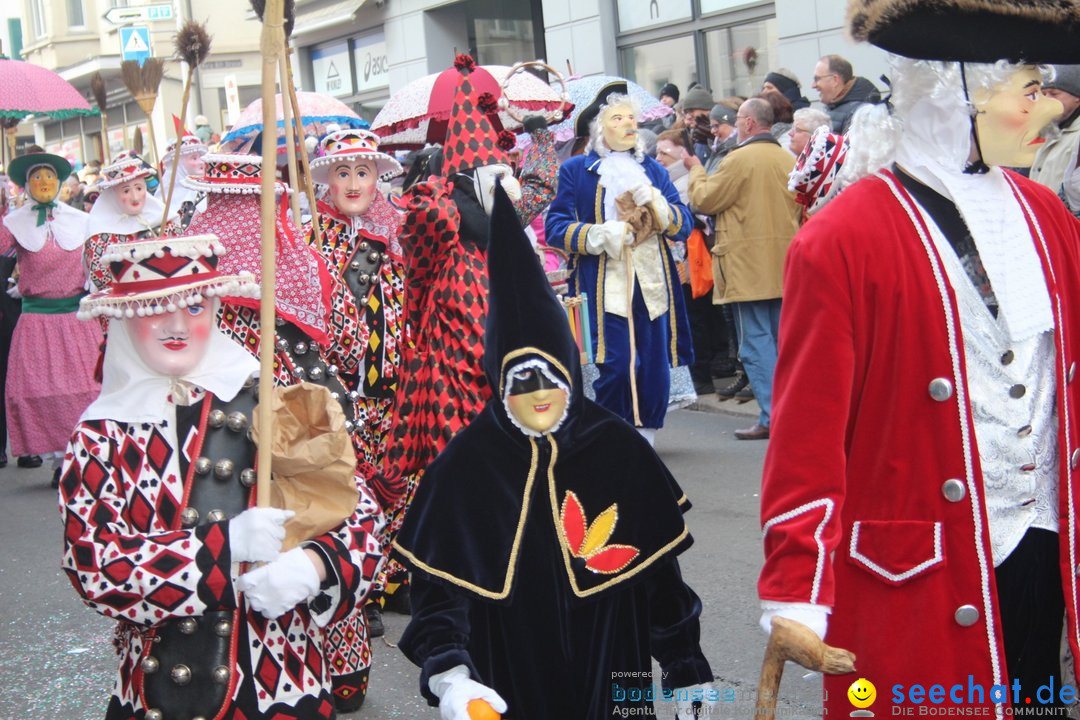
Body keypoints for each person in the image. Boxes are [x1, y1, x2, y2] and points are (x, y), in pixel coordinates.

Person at [758, 0, 1080, 714]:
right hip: (916, 571)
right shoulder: (842, 239)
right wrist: (798, 587)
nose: (1047, 114)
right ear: (961, 94)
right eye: (1030, 93)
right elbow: (807, 438)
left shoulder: (1046, 215)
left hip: (1042, 546)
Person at [396, 185, 716, 720]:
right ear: (498, 382)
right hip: (512, 669)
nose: (538, 394)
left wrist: (689, 676)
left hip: (621, 667)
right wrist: (452, 675)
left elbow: (663, 584)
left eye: (550, 377)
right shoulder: (467, 464)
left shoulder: (616, 447)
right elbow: (439, 596)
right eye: (521, 381)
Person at [62, 233, 385, 720]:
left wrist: (317, 566)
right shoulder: (100, 435)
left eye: (194, 307)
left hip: (284, 684)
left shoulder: (273, 403)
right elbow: (94, 566)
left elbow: (359, 516)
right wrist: (223, 549)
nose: (177, 325)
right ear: (125, 317)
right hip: (159, 690)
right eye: (156, 308)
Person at [379, 53, 558, 508]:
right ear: (465, 178)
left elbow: (540, 186)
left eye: (506, 172)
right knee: (461, 455)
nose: (507, 183)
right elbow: (419, 223)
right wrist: (431, 182)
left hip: (504, 348)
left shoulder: (503, 216)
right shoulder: (444, 214)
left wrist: (537, 131)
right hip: (452, 361)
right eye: (494, 175)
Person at [304, 128, 408, 681]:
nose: (353, 183)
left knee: (397, 484)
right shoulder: (313, 237)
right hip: (344, 391)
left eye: (363, 173)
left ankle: (391, 579)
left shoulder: (396, 231)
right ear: (328, 180)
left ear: (376, 179)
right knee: (352, 491)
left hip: (395, 386)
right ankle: (358, 594)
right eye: (342, 173)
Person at [546, 81, 694, 446]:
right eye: (618, 118)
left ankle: (645, 440)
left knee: (653, 368)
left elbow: (684, 225)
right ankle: (614, 440)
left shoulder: (654, 172)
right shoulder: (577, 170)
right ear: (600, 127)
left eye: (632, 118)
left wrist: (658, 205)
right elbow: (556, 228)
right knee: (614, 366)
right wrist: (602, 235)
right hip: (603, 284)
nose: (629, 125)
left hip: (652, 284)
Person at [685, 97, 800, 440]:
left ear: (749, 124)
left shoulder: (738, 160)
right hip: (785, 265)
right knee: (783, 343)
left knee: (755, 345)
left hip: (748, 267)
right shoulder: (787, 158)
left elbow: (705, 200)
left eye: (738, 120)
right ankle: (788, 414)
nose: (735, 126)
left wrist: (695, 168)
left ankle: (771, 416)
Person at [0, 148, 101, 486]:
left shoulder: (81, 220)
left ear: (59, 182)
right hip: (37, 321)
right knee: (40, 393)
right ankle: (60, 458)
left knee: (87, 387)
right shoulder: (15, 222)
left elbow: (99, 260)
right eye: (36, 177)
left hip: (76, 319)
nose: (44, 182)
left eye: (49, 177)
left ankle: (83, 452)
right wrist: (7, 211)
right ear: (26, 184)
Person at [84, 150, 179, 291]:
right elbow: (101, 279)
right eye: (126, 191)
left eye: (139, 188)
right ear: (113, 194)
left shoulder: (165, 221)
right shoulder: (100, 235)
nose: (135, 197)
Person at [1030, 65, 1080, 193]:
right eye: (1043, 93)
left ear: (1077, 98)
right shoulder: (1045, 131)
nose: (1046, 100)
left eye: (1054, 94)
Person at [812, 54, 881, 133]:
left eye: (817, 79)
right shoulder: (833, 106)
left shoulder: (861, 113)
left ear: (835, 80)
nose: (813, 85)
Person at [157, 131, 208, 230]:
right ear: (178, 164)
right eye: (194, 158)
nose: (201, 162)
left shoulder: (208, 192)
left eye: (201, 157)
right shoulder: (162, 198)